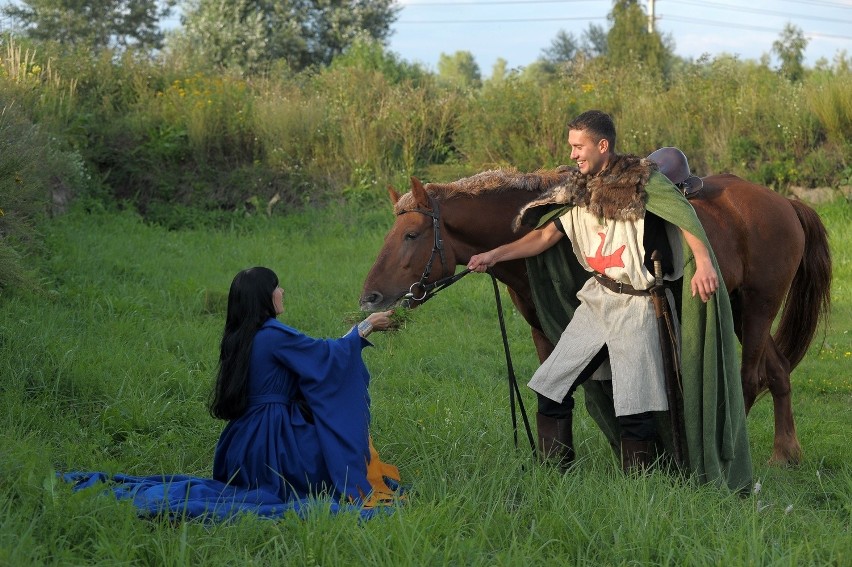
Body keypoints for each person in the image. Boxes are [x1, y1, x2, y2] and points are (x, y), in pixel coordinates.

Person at [467, 110, 752, 491]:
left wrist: (703, 262)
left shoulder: (643, 182)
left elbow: (685, 216)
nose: (573, 155)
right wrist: (495, 255)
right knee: (551, 384)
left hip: (638, 306)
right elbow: (543, 238)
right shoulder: (579, 189)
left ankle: (640, 487)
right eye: (571, 146)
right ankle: (553, 476)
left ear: (602, 146)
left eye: (578, 146)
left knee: (635, 403)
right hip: (598, 300)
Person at [63, 266, 403, 520]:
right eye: (276, 287)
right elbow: (327, 357)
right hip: (275, 442)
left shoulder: (238, 337)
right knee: (329, 455)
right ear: (264, 297)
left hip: (241, 443)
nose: (282, 291)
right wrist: (367, 325)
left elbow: (319, 354)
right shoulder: (272, 334)